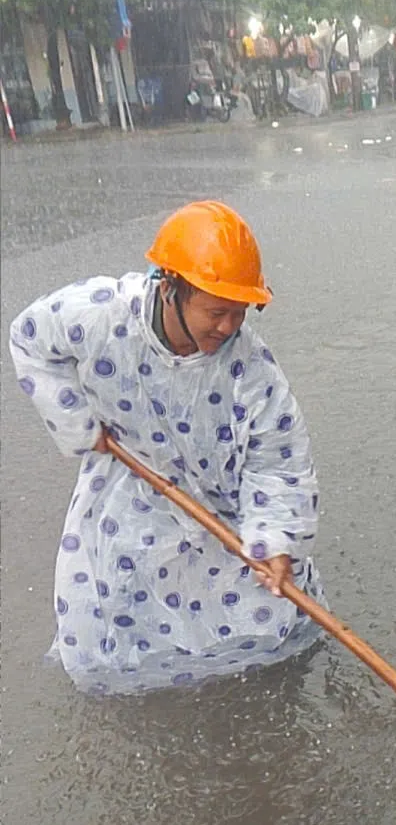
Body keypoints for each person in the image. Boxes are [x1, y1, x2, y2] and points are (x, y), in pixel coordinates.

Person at [9, 200, 324, 693]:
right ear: (170, 287)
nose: (227, 327)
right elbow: (29, 338)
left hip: (217, 503)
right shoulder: (98, 315)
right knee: (126, 608)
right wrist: (77, 424)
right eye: (216, 312)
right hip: (130, 483)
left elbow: (278, 461)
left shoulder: (251, 369)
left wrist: (275, 541)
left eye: (239, 313)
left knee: (267, 614)